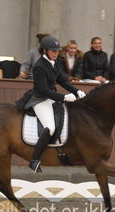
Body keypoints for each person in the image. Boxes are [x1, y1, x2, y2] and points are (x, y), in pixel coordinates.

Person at [15, 36, 86, 173]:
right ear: (46, 51)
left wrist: (77, 91)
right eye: (53, 51)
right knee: (50, 127)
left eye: (57, 51)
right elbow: (44, 90)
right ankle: (35, 159)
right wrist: (64, 97)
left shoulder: (55, 61)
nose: (56, 53)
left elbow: (62, 81)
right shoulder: (39, 66)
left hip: (51, 97)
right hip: (40, 99)